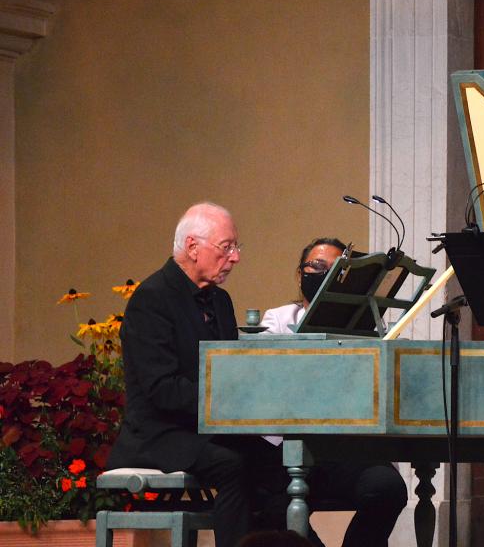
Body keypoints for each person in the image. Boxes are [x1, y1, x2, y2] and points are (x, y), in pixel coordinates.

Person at [108, 203, 406, 547]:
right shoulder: (152, 299)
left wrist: (249, 399)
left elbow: (233, 371)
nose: (235, 257)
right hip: (161, 433)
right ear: (192, 247)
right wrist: (233, 403)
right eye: (227, 247)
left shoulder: (218, 300)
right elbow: (162, 390)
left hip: (208, 427)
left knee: (280, 463)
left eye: (237, 248)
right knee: (234, 465)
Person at [260, 238, 346, 333]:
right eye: (317, 266)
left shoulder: (357, 322)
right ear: (299, 276)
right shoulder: (278, 320)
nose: (328, 275)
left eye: (336, 269)